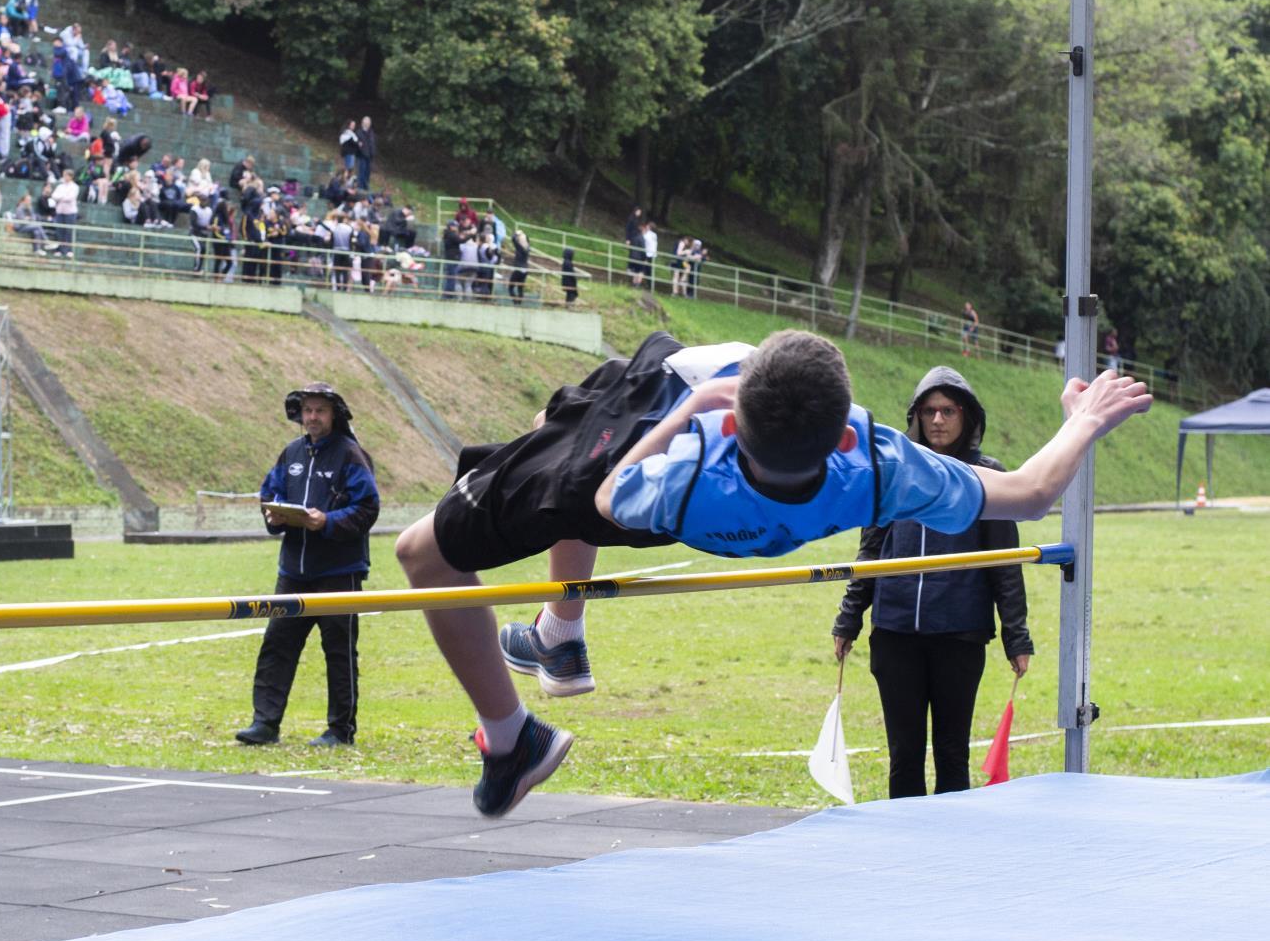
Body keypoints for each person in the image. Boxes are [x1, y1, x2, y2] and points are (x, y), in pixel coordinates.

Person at [391, 328, 1153, 817]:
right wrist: (1083, 419)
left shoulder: (687, 467)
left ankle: (511, 734)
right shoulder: (877, 467)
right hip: (696, 476)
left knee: (423, 552)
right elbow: (1027, 492)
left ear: (731, 417)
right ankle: (560, 633)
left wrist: (690, 410)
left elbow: (605, 498)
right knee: (552, 425)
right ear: (843, 424)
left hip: (643, 437)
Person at [831, 367, 1033, 798]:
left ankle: (954, 849)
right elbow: (869, 553)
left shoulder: (988, 477)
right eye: (929, 411)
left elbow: (1006, 565)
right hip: (894, 634)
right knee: (903, 753)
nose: (938, 420)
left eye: (948, 410)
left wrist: (1017, 637)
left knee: (951, 752)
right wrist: (848, 621)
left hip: (959, 636)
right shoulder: (895, 471)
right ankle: (905, 848)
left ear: (967, 416)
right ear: (916, 416)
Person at [237, 384, 380, 748]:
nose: (312, 417)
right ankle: (264, 724)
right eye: (307, 411)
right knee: (276, 646)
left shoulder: (351, 455)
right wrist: (275, 514)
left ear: (334, 415)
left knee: (339, 652)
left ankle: (340, 730)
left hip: (339, 572)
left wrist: (327, 522)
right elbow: (269, 493)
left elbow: (367, 508)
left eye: (320, 410)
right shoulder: (291, 453)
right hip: (293, 574)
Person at [357, 115, 376, 190]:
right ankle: (360, 187)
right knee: (362, 171)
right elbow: (357, 143)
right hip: (362, 155)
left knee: (367, 172)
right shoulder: (359, 132)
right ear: (363, 123)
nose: (367, 124)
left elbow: (372, 143)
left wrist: (373, 153)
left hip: (370, 156)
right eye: (366, 123)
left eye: (368, 123)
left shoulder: (371, 132)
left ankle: (366, 186)